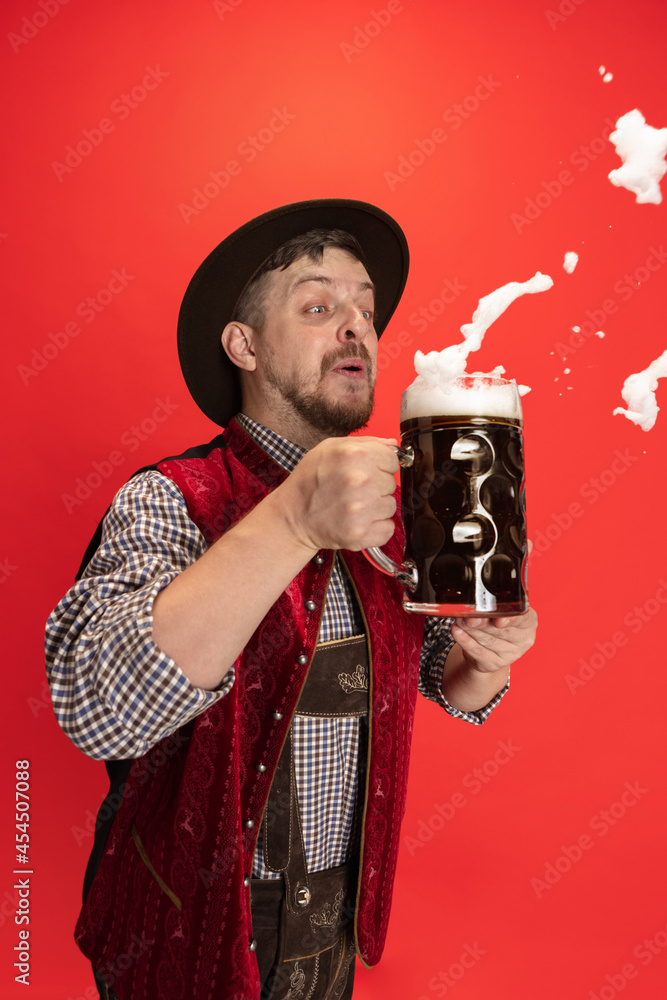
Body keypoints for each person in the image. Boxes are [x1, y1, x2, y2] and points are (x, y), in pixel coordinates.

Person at [46, 198, 537, 1000]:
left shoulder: (401, 512)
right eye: (319, 306)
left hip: (331, 938)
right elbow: (100, 710)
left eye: (365, 312)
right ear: (242, 345)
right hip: (185, 935)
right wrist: (292, 518)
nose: (356, 329)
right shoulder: (170, 499)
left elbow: (443, 672)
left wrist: (488, 657)